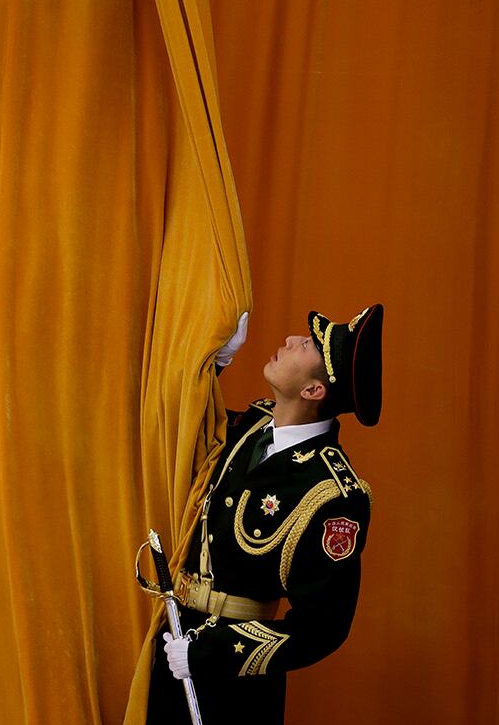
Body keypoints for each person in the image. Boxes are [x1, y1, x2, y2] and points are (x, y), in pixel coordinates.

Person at [145, 305, 384, 724]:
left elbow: (322, 629)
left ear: (313, 391)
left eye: (307, 345)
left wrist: (207, 653)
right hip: (170, 638)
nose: (291, 340)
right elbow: (182, 428)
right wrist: (214, 362)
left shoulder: (333, 494)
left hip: (234, 686)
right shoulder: (253, 425)